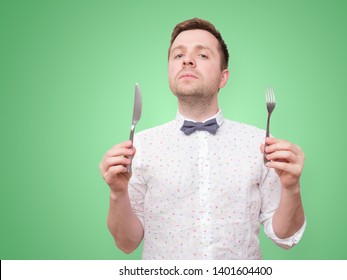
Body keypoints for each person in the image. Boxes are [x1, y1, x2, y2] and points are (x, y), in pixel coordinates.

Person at [99, 18, 306, 259]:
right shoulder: (140, 147)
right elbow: (127, 243)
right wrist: (117, 192)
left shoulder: (261, 144)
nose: (187, 60)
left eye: (203, 55)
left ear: (223, 77)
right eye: (178, 55)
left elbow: (284, 238)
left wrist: (292, 187)